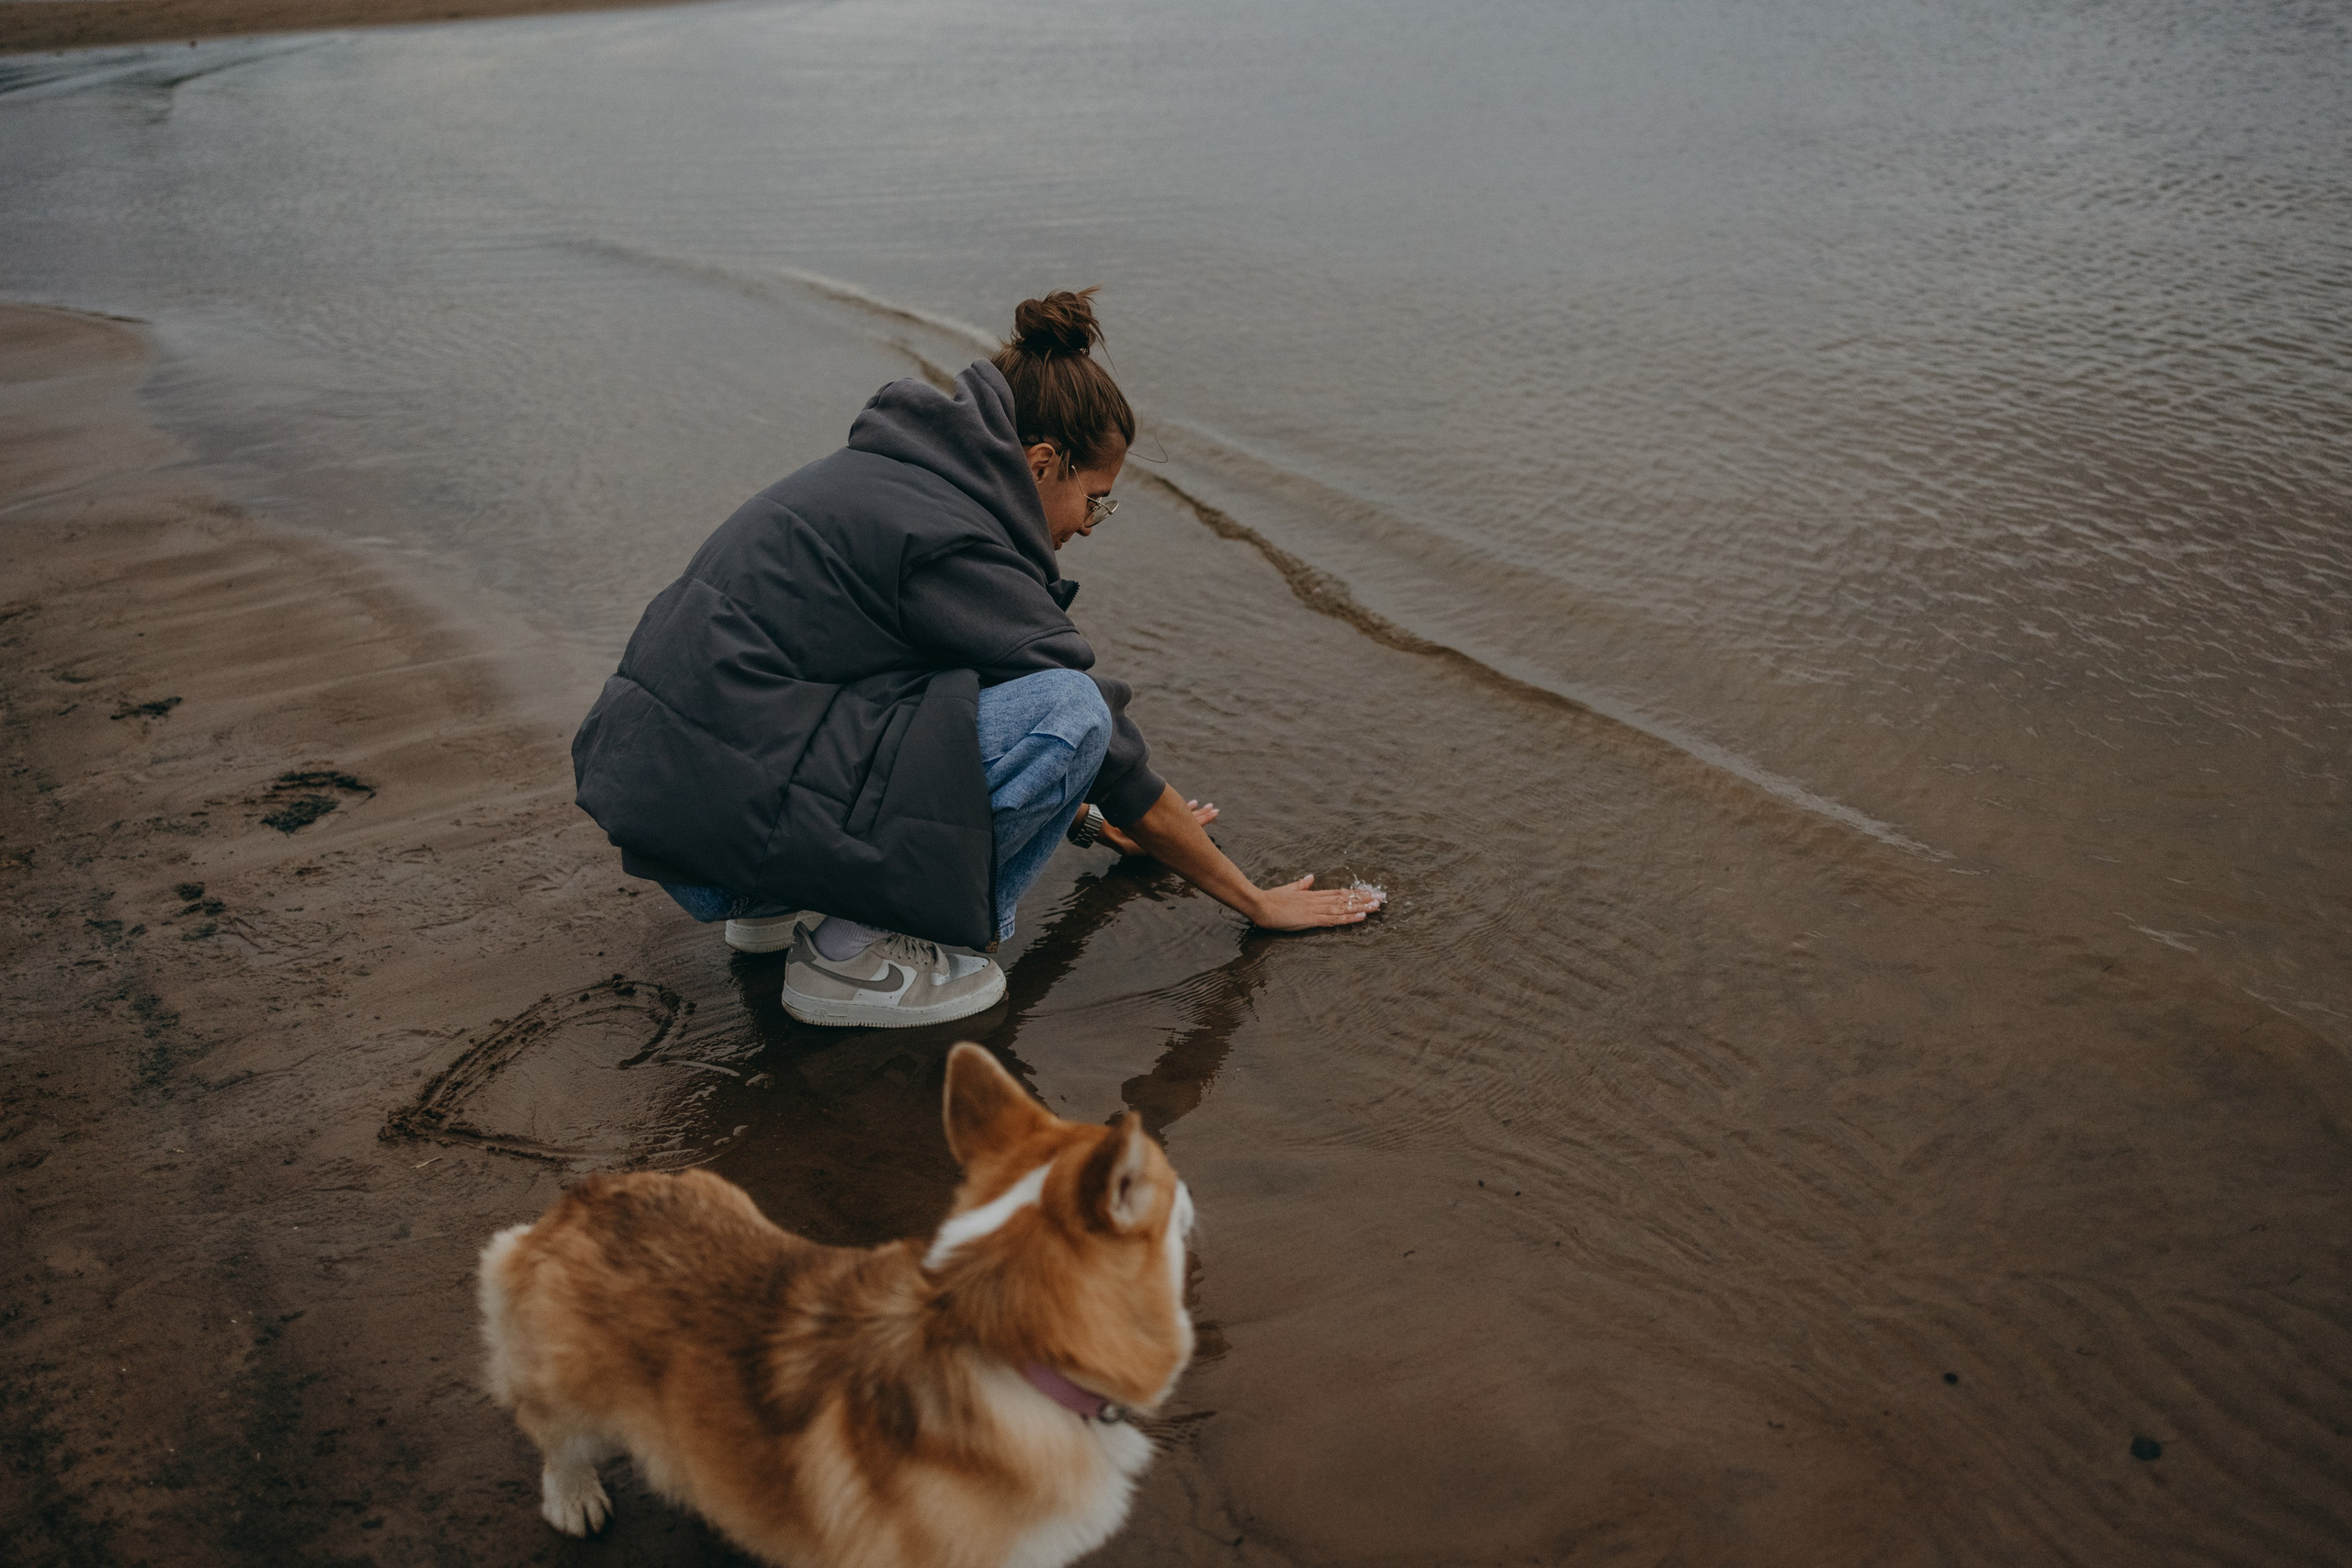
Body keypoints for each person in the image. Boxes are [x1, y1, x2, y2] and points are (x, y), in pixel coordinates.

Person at [572, 289, 1381, 1028]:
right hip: (717, 830)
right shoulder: (954, 538)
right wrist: (1253, 900)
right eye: (1096, 498)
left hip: (679, 817)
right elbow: (1098, 739)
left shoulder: (896, 476)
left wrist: (1094, 824)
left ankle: (776, 910)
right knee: (1073, 709)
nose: (1091, 523)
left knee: (941, 683)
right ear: (1042, 463)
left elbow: (919, 701)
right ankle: (852, 955)